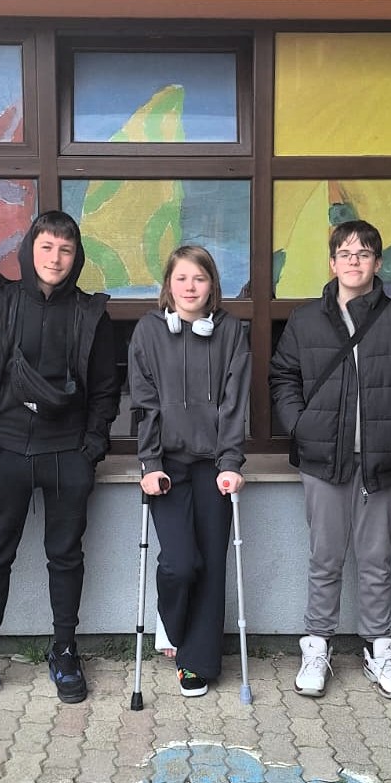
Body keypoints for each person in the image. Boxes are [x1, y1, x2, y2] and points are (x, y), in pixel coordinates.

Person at [0, 211, 119, 710]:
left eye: (65, 249)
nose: (55, 259)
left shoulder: (91, 314)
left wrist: (90, 449)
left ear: (77, 256)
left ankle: (64, 650)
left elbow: (107, 389)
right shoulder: (0, 306)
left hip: (68, 454)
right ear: (29, 251)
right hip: (6, 452)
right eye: (46, 247)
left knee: (66, 556)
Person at [269, 220, 391, 701]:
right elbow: (283, 377)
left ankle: (378, 649)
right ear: (332, 263)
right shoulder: (305, 320)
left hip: (381, 461)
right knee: (324, 559)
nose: (354, 261)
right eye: (345, 254)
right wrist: (301, 425)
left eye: (364, 254)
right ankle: (317, 646)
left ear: (378, 263)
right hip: (322, 459)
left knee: (375, 561)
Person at [127, 245, 251, 697]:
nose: (190, 287)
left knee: (211, 564)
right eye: (181, 278)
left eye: (199, 278)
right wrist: (149, 463)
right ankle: (173, 624)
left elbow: (236, 402)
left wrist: (231, 462)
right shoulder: (148, 331)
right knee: (180, 564)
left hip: (213, 466)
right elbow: (143, 402)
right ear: (168, 285)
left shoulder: (231, 331)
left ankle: (197, 661)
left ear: (212, 285)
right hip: (168, 467)